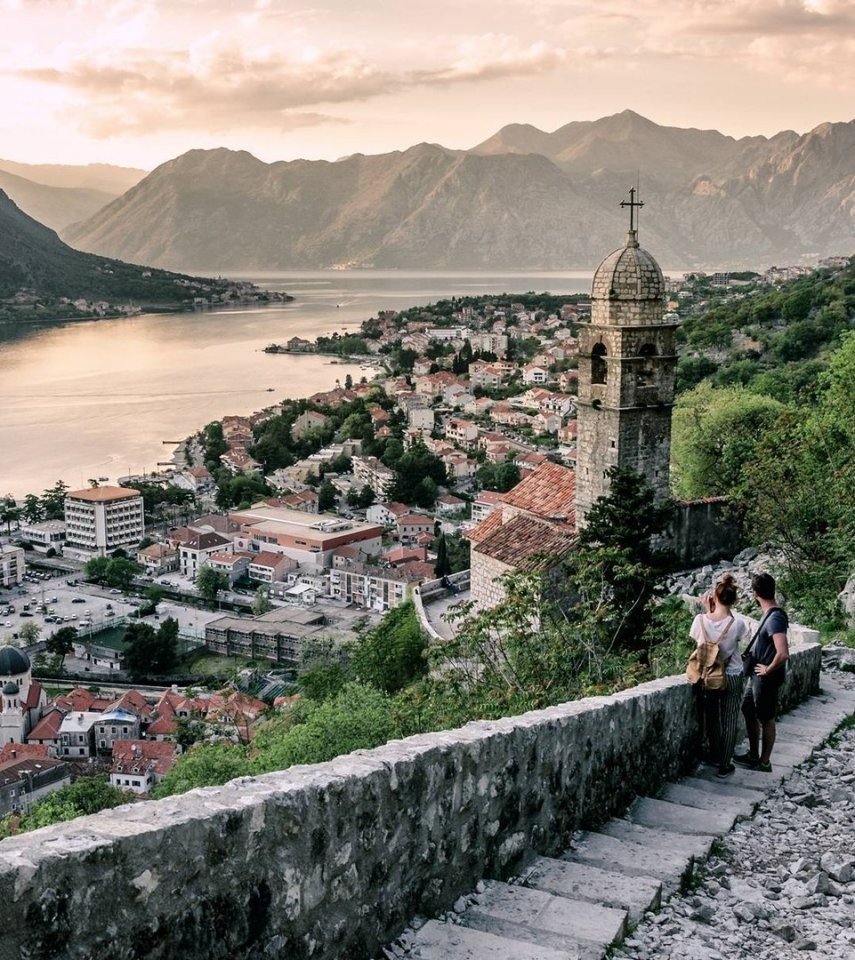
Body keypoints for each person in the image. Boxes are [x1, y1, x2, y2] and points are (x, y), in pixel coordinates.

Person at [690, 574, 750, 777]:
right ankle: (725, 764)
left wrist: (709, 610)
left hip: (710, 675)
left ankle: (715, 754)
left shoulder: (699, 620)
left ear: (714, 597)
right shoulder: (738, 624)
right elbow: (729, 634)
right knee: (730, 718)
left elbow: (703, 640)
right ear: (734, 600)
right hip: (732, 674)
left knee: (713, 717)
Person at [735, 572, 789, 772]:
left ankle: (764, 762)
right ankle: (753, 754)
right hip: (758, 676)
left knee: (766, 717)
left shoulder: (775, 618)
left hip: (765, 677)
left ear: (756, 593)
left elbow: (783, 653)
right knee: (747, 708)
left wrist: (768, 669)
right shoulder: (770, 615)